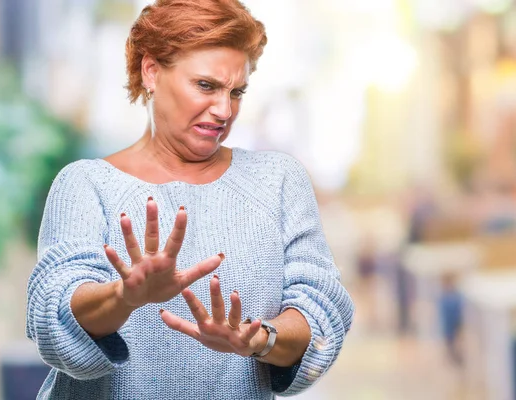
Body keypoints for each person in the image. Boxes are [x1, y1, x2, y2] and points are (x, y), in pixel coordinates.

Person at [25, 1, 355, 399]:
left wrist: (260, 339)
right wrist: (125, 296)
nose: (224, 110)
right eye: (206, 85)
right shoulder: (85, 185)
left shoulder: (278, 181)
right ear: (151, 71)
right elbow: (53, 315)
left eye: (237, 92)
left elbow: (321, 314)